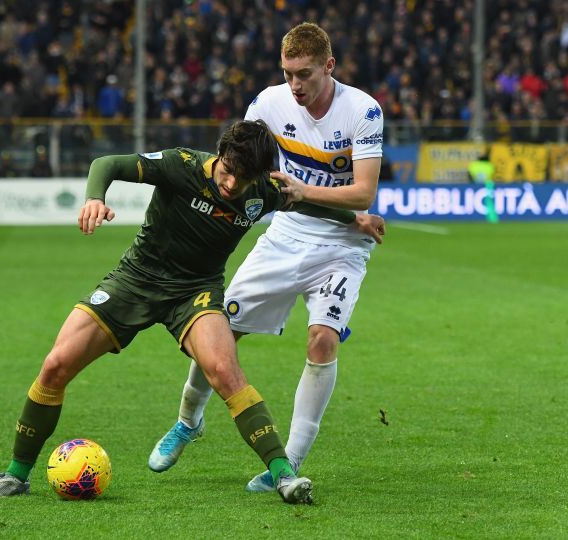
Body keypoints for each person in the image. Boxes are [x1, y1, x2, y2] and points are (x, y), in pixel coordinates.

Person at [0, 119, 371, 505]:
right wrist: (95, 197)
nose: (231, 184)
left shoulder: (262, 191)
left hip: (195, 293)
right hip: (136, 279)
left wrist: (356, 218)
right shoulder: (181, 166)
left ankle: (284, 475)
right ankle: (14, 476)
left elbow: (304, 205)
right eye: (228, 171)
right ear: (221, 154)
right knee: (56, 365)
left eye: (243, 179)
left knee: (226, 374)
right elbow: (107, 164)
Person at [148, 22, 386, 493]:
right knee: (218, 331)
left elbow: (365, 190)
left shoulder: (363, 110)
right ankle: (188, 421)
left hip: (341, 247)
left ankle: (289, 462)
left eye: (305, 74)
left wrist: (313, 194)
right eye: (288, 74)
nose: (295, 85)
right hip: (286, 233)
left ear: (329, 66)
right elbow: (240, 159)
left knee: (322, 339)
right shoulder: (268, 104)